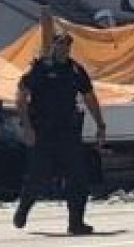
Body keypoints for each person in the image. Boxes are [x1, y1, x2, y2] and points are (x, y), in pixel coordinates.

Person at [13, 30, 106, 235]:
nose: (63, 48)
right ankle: (23, 209)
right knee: (38, 176)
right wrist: (27, 127)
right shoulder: (40, 69)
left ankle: (76, 223)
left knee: (78, 178)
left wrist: (100, 124)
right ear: (53, 46)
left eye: (66, 45)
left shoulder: (75, 70)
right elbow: (21, 98)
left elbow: (89, 97)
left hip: (68, 133)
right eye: (59, 44)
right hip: (43, 132)